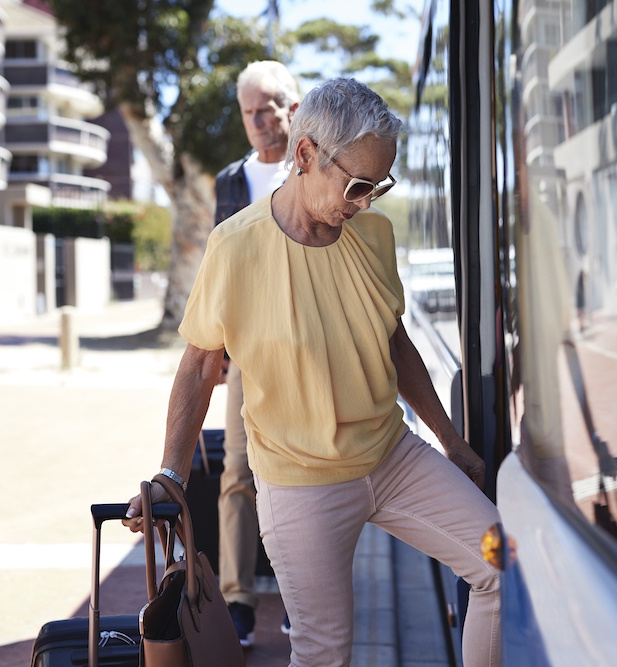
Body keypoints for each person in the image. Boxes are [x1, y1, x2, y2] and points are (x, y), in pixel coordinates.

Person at [124, 78, 501, 667]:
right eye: (356, 185)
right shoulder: (235, 247)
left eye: (379, 186)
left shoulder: (374, 234)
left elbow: (395, 343)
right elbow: (200, 364)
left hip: (391, 457)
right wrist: (171, 470)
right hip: (301, 482)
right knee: (324, 653)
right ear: (305, 156)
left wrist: (451, 441)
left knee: (500, 563)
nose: (366, 201)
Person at [213, 60, 300, 648]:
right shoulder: (231, 181)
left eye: (268, 106)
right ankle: (237, 601)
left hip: (310, 344)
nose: (259, 119)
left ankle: (301, 595)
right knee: (237, 472)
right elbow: (218, 267)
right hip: (248, 347)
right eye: (249, 111)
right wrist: (217, 345)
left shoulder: (315, 168)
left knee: (307, 471)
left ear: (293, 107)